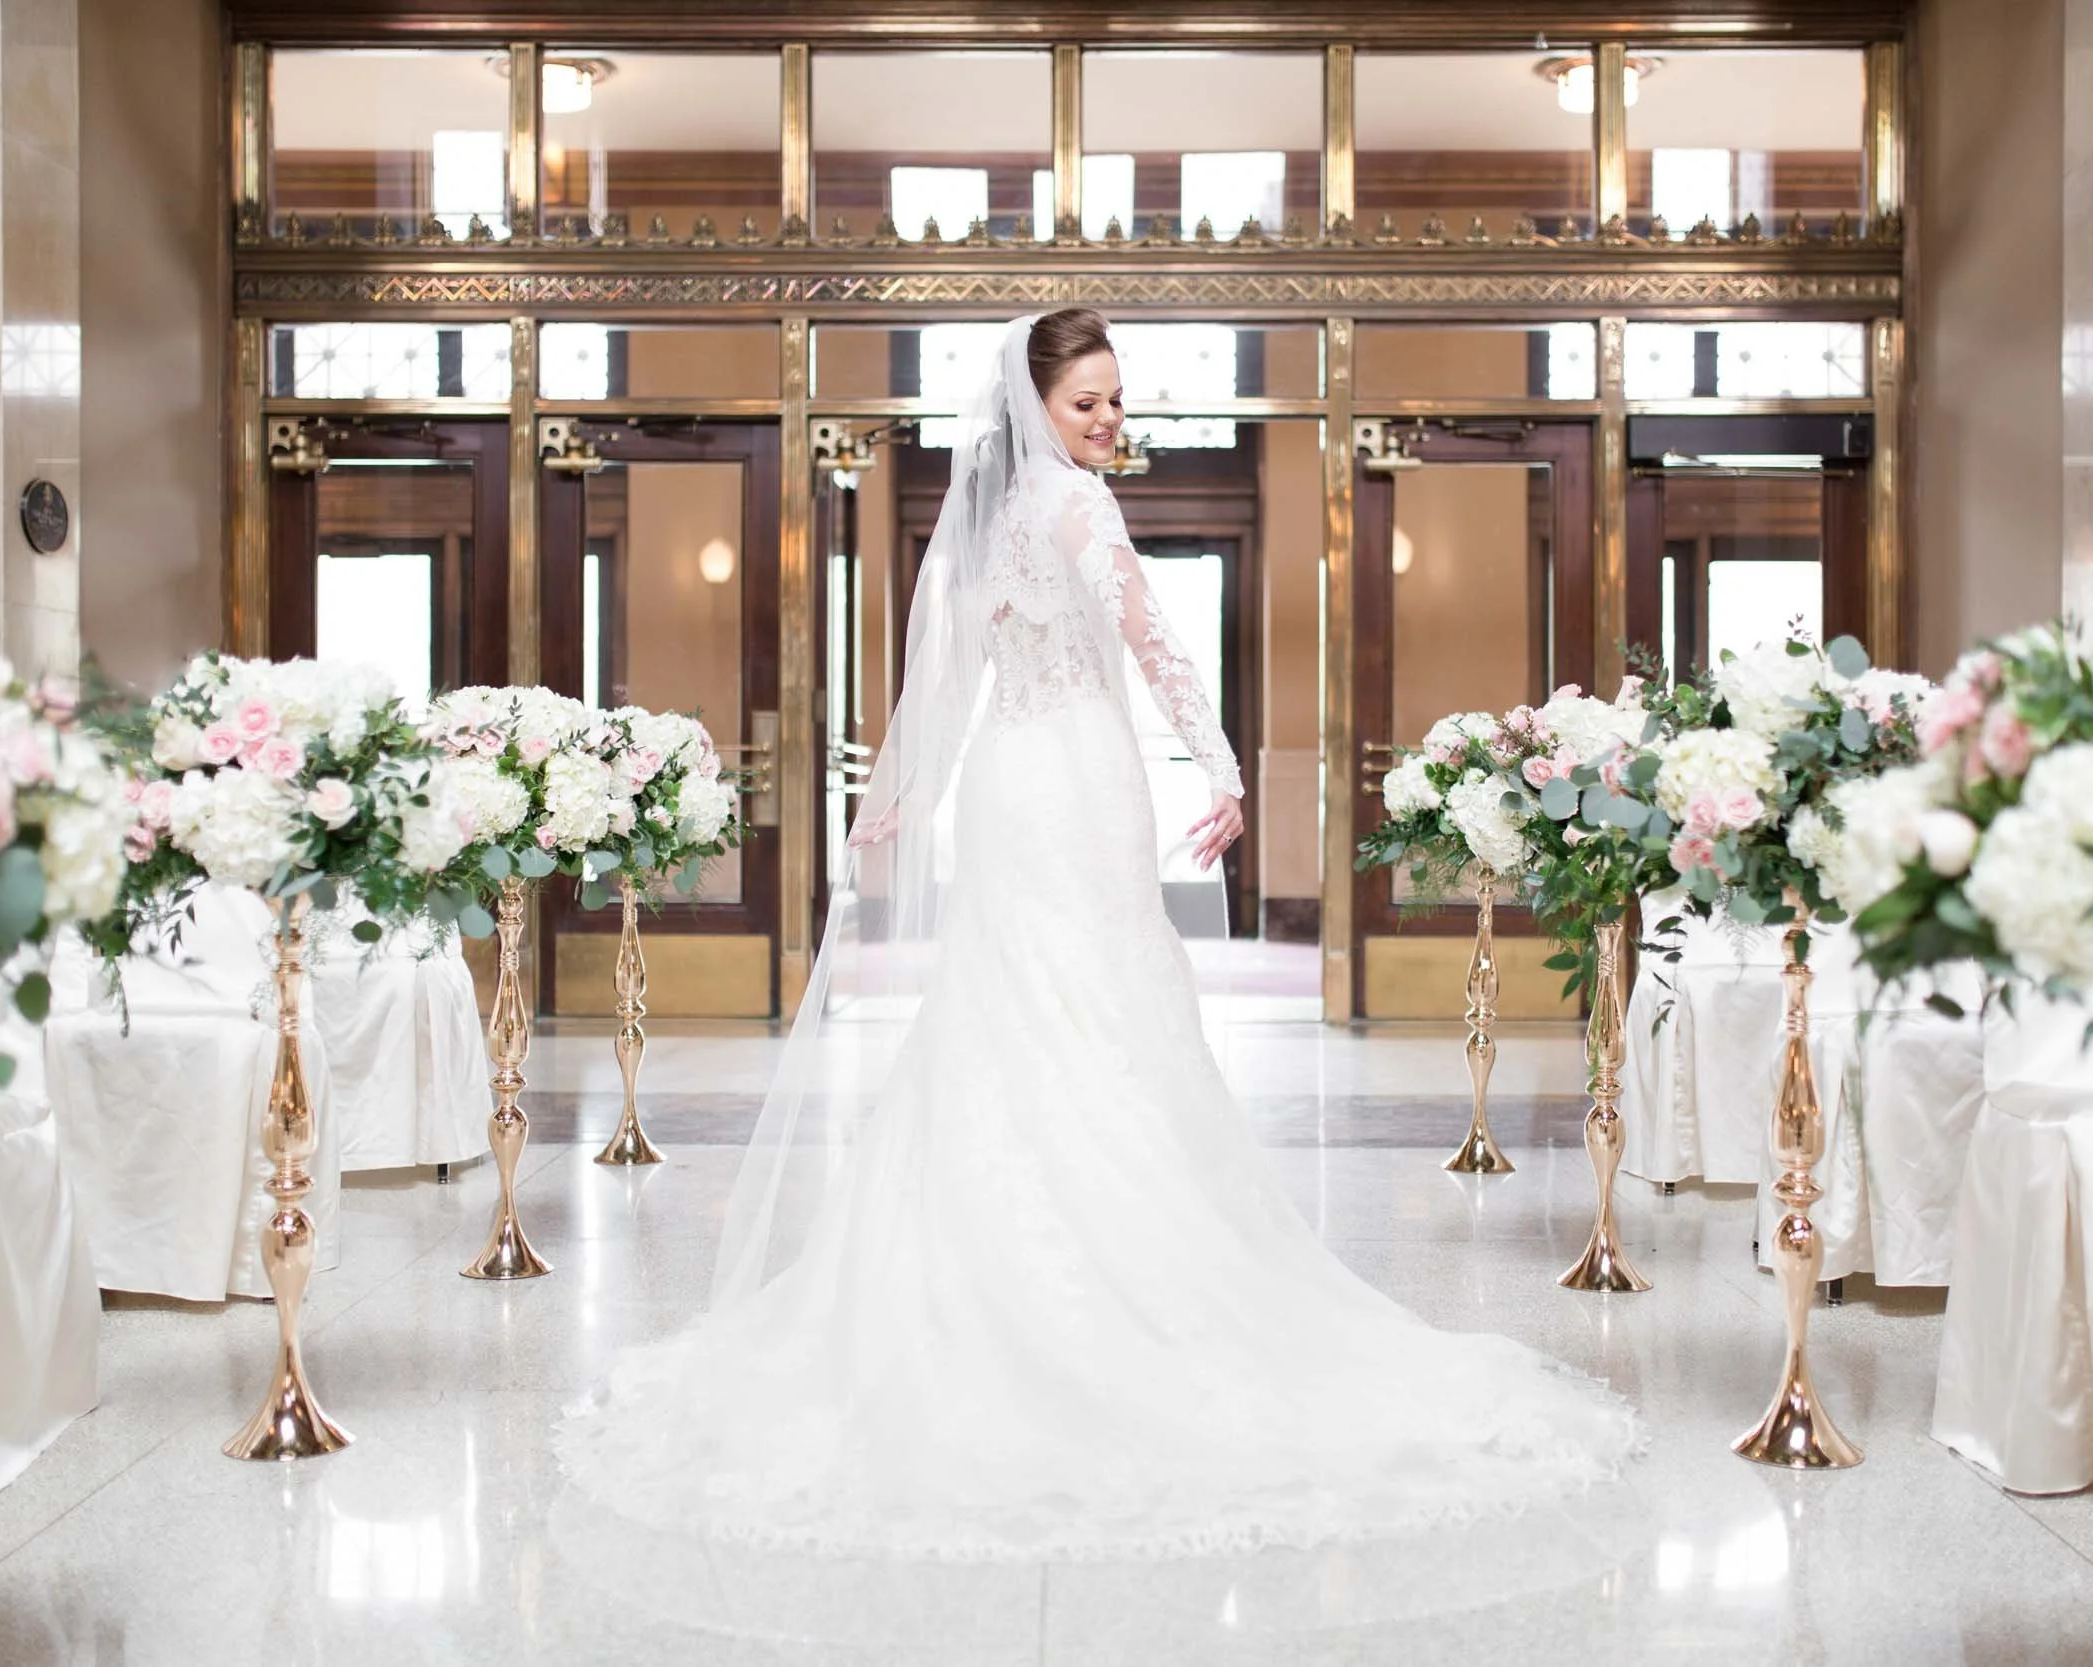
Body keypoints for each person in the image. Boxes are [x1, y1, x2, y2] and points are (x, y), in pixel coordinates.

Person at [558, 311, 1637, 1564]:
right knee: (1094, 1001)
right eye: (1086, 403)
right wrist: (1222, 764)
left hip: (1012, 779)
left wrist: (908, 785)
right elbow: (1153, 642)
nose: (1110, 421)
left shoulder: (992, 520)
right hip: (1072, 777)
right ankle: (1111, 1270)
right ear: (1035, 407)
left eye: (1118, 399)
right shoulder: (1074, 505)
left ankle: (988, 1267)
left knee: (1019, 1000)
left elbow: (947, 680)